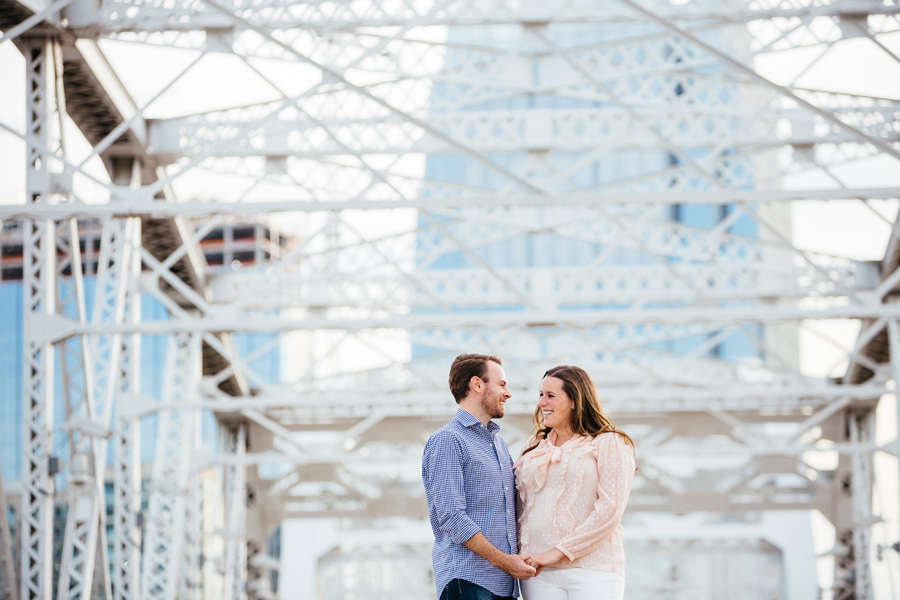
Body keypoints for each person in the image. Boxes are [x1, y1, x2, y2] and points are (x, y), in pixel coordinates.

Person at [422, 353, 538, 600]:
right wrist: (504, 562)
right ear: (477, 385)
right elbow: (452, 517)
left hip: (502, 584)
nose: (508, 393)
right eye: (502, 384)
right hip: (468, 580)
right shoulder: (447, 440)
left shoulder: (498, 443)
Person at [515, 365, 636, 600]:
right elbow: (520, 506)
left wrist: (558, 552)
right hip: (538, 572)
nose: (542, 403)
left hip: (593, 569)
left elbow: (611, 510)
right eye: (541, 395)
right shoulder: (533, 445)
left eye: (551, 395)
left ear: (574, 400)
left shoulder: (609, 442)